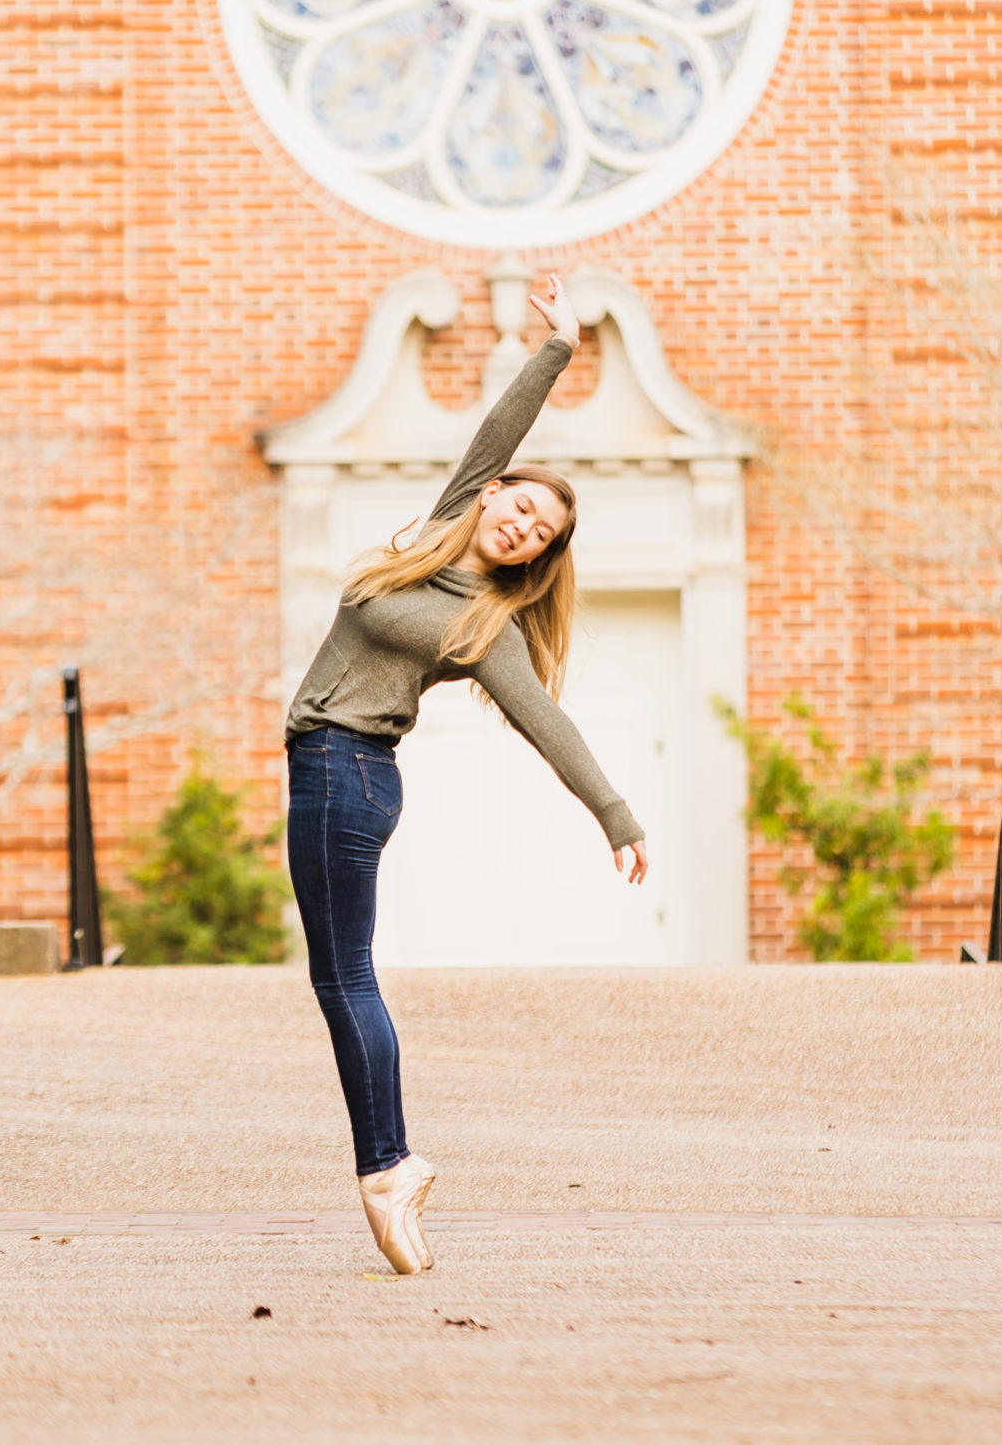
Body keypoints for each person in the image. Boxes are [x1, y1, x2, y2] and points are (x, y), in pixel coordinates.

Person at [284, 271, 650, 1275]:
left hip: (345, 775)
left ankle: (388, 1166)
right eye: (519, 508)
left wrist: (615, 815)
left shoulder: (486, 628)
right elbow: (495, 435)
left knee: (344, 975)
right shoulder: (446, 526)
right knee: (341, 975)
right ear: (491, 498)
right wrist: (557, 350)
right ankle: (387, 1165)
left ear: (537, 559)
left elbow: (546, 722)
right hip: (334, 774)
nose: (522, 526)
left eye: (540, 534)